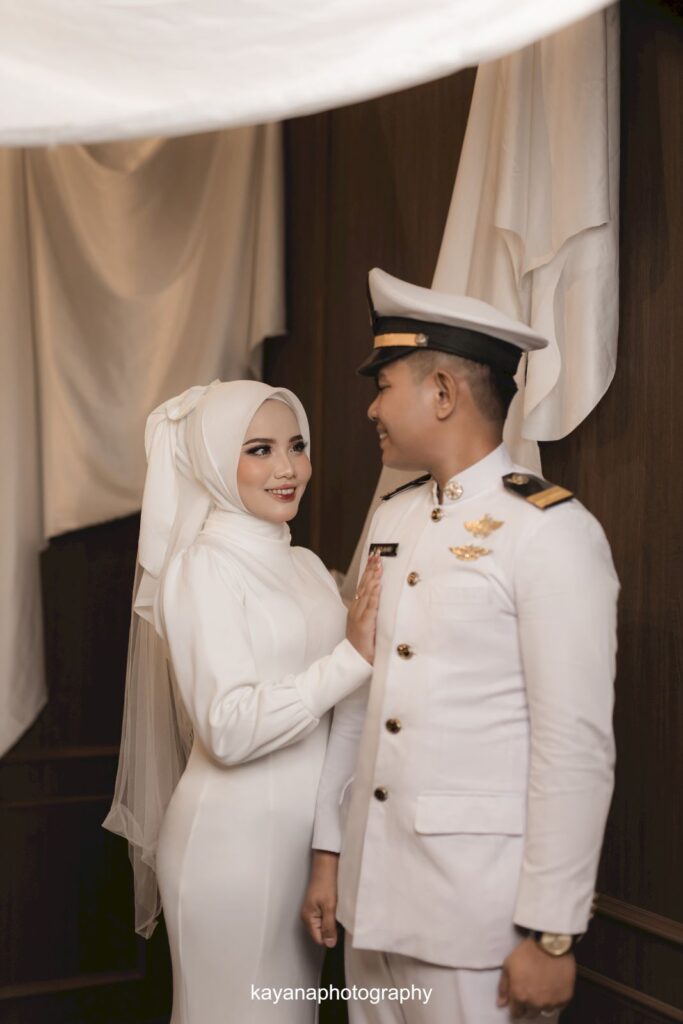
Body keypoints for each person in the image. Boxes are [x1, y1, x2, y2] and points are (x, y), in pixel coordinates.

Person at [302, 268, 619, 1023]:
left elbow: (573, 744)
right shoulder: (392, 518)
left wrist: (550, 932)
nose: (371, 407)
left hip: (480, 919)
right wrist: (329, 854)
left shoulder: (549, 531)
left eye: (384, 386)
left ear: (442, 392)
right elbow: (359, 704)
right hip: (371, 900)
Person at [104, 379, 382, 1023]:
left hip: (304, 851)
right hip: (232, 848)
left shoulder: (308, 566)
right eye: (259, 449)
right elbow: (227, 729)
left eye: (296, 446)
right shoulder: (201, 567)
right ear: (212, 461)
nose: (288, 468)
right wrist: (352, 659)